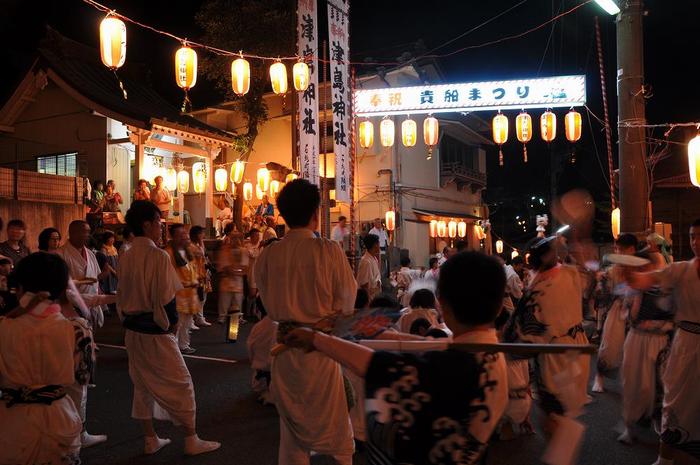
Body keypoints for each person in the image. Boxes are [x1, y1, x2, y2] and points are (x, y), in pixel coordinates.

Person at [283, 251, 508, 465]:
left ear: (442, 303)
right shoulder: (488, 354)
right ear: (499, 307)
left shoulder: (459, 364)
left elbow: (377, 365)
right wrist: (347, 328)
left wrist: (316, 339)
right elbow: (421, 344)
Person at [254, 179, 357, 465]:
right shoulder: (329, 250)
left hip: (285, 352)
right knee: (337, 433)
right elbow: (348, 303)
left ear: (283, 215)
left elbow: (262, 295)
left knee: (292, 436)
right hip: (319, 349)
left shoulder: (269, 253)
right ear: (316, 213)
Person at [117, 200, 220, 456]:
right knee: (181, 383)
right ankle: (191, 438)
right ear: (146, 225)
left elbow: (121, 294)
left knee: (142, 384)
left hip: (133, 330)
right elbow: (166, 298)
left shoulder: (126, 254)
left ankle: (150, 438)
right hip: (155, 329)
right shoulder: (158, 255)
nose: (161, 228)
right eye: (158, 223)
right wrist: (172, 323)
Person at [0, 253, 91, 465]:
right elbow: (83, 378)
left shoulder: (4, 327)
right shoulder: (78, 329)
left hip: (12, 419)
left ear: (20, 288)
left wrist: (18, 312)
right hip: (60, 417)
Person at [625, 219, 700, 465]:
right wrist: (629, 270)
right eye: (692, 236)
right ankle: (664, 459)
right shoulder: (680, 270)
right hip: (686, 343)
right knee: (675, 401)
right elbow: (644, 281)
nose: (696, 242)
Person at [504, 236, 590, 434]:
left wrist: (508, 346)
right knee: (565, 408)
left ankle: (563, 447)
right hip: (578, 346)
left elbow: (520, 331)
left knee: (554, 410)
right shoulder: (570, 273)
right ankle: (565, 441)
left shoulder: (537, 289)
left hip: (554, 354)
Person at [56, 220, 108, 447]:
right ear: (71, 232)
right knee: (74, 382)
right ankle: (76, 432)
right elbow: (67, 289)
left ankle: (77, 429)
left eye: (88, 232)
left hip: (86, 307)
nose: (86, 235)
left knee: (82, 366)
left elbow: (94, 284)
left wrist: (101, 296)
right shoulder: (61, 255)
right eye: (82, 231)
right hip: (72, 310)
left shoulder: (91, 254)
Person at [618, 250, 674, 445]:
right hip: (636, 338)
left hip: (660, 341)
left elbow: (675, 317)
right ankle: (629, 426)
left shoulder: (669, 287)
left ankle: (660, 423)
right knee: (632, 382)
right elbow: (627, 315)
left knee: (659, 384)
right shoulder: (633, 288)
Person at [592, 232, 638, 393]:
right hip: (616, 310)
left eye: (621, 249)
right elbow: (603, 294)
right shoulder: (612, 270)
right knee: (609, 345)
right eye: (617, 249)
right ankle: (599, 376)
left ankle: (630, 381)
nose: (617, 252)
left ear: (632, 249)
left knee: (633, 349)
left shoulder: (640, 267)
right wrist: (602, 282)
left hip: (635, 311)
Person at [165, 224, 200, 354]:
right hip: (177, 294)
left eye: (185, 234)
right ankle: (173, 348)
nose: (184, 237)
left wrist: (195, 280)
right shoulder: (168, 253)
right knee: (177, 323)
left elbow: (194, 269)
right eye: (180, 235)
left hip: (190, 294)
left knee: (187, 323)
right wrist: (186, 283)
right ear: (173, 237)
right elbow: (168, 276)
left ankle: (183, 345)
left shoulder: (188, 251)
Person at [246, 296, 277, 405]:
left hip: (260, 374)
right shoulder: (279, 326)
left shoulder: (257, 327)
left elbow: (250, 350)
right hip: (275, 374)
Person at [216, 231, 248, 324]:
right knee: (224, 301)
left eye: (238, 238)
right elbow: (225, 267)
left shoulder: (244, 251)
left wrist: (237, 272)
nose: (236, 240)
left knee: (237, 302)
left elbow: (245, 267)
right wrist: (235, 271)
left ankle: (237, 318)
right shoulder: (225, 251)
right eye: (234, 238)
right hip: (227, 281)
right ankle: (222, 317)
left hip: (238, 281)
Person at [188, 226, 212, 328]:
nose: (203, 235)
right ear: (197, 235)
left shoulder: (196, 245)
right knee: (198, 297)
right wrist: (201, 242)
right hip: (196, 275)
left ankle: (199, 318)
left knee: (202, 297)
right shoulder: (191, 246)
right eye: (202, 233)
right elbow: (201, 254)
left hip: (202, 274)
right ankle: (194, 319)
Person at [357, 233, 382, 301]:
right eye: (378, 243)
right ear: (375, 245)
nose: (379, 246)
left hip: (375, 296)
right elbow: (364, 284)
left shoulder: (374, 258)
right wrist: (367, 301)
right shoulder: (366, 261)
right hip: (369, 298)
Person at [244, 228, 262, 321]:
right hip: (251, 272)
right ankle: (248, 311)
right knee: (252, 293)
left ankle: (254, 311)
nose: (258, 238)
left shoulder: (261, 245)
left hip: (260, 271)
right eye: (256, 236)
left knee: (258, 293)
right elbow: (253, 255)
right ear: (251, 237)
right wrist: (259, 247)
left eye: (258, 236)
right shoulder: (247, 246)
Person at [96, 231, 119, 298]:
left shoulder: (114, 248)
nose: (112, 239)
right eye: (110, 238)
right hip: (109, 272)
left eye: (113, 238)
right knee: (109, 290)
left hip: (115, 271)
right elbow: (106, 264)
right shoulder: (104, 249)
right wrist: (113, 271)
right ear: (106, 239)